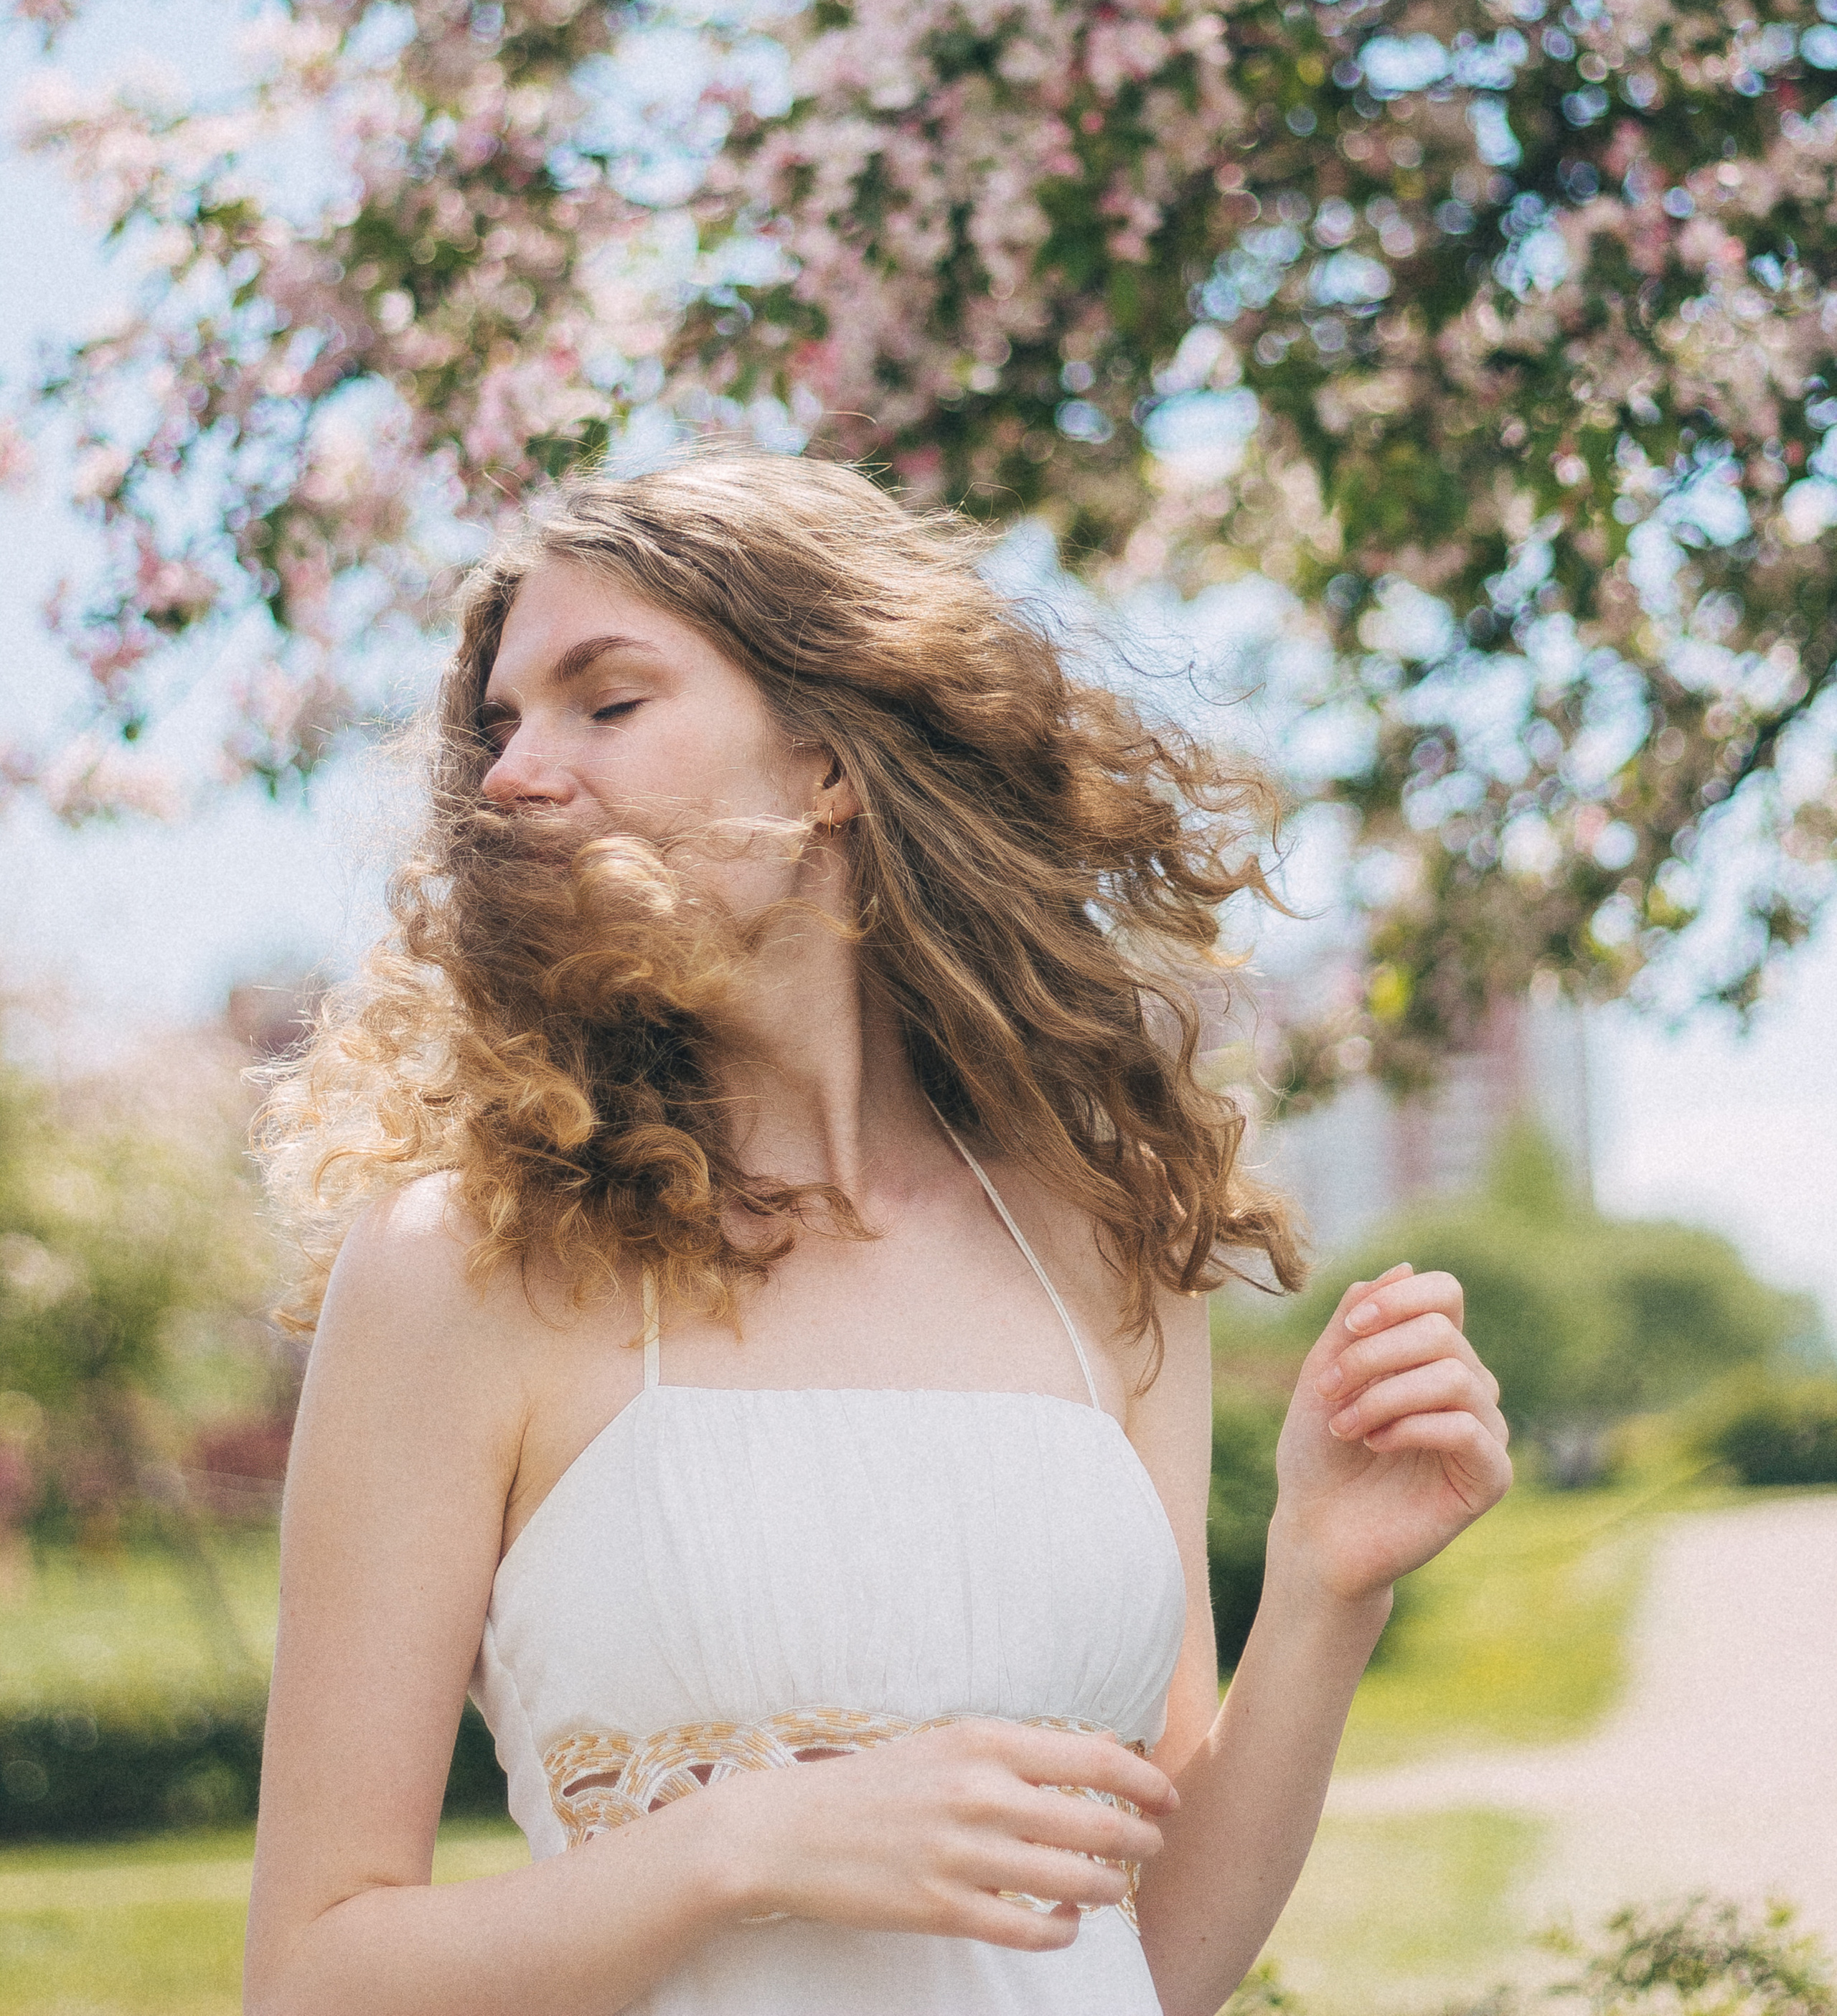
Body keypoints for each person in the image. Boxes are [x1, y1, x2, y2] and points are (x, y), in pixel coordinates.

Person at [244, 454, 1511, 2016]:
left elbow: (1147, 1952)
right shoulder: (468, 1265)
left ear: (829, 760)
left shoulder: (1102, 1255)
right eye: (500, 726)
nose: (512, 774)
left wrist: (1324, 1589)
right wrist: (744, 1844)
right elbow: (312, 1973)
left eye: (605, 702)